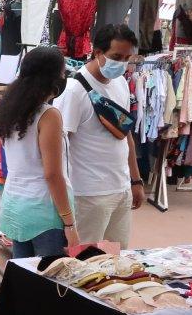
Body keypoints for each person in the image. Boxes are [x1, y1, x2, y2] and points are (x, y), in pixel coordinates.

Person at [54, 23, 145, 247]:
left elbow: (126, 135)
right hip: (88, 195)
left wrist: (135, 180)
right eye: (116, 56)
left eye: (127, 58)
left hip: (120, 189)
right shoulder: (73, 91)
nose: (122, 63)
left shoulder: (121, 83)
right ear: (98, 53)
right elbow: (58, 147)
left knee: (117, 259)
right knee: (84, 264)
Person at [0, 47, 79, 258]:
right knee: (50, 282)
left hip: (15, 206)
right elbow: (52, 174)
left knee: (26, 279)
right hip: (44, 212)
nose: (63, 78)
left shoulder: (11, 111)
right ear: (51, 78)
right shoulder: (48, 115)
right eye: (62, 73)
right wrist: (69, 223)